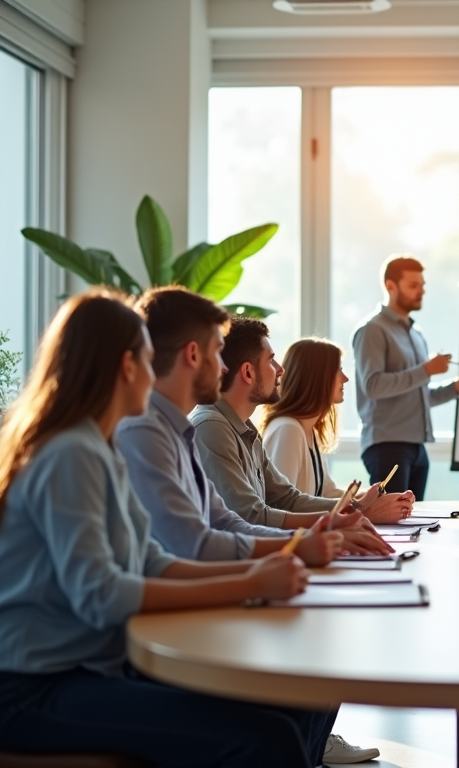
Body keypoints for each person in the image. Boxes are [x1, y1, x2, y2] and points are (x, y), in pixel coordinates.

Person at [0, 289, 338, 768]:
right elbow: (102, 595)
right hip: (32, 689)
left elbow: (151, 562)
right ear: (126, 366)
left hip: (85, 669)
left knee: (288, 702)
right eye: (146, 357)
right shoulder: (71, 454)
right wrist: (248, 583)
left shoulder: (100, 447)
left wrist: (269, 570)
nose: (155, 371)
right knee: (264, 738)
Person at [117, 287, 371, 566]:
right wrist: (294, 549)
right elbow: (194, 545)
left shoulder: (180, 430)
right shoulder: (166, 430)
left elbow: (227, 522)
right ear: (192, 354)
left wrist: (322, 529)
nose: (225, 368)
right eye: (216, 352)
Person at [190, 317, 398, 548]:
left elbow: (285, 498)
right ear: (248, 373)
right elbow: (251, 516)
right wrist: (346, 518)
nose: (280, 370)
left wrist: (351, 510)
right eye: (271, 361)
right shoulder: (211, 427)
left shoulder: (244, 428)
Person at [352, 255, 459, 499]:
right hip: (387, 446)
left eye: (422, 285)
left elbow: (418, 396)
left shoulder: (416, 334)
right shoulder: (372, 330)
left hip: (416, 447)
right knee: (392, 528)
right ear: (390, 286)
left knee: (411, 526)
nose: (421, 291)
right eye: (413, 285)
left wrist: (456, 387)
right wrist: (426, 370)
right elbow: (373, 386)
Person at [262, 337, 415, 524]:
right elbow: (281, 506)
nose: (346, 378)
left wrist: (375, 499)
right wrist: (363, 509)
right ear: (317, 376)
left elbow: (327, 493)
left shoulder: (308, 431)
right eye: (339, 370)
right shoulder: (288, 430)